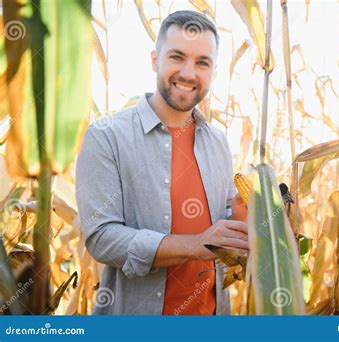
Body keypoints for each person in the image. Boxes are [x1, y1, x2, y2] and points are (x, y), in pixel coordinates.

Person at [75, 10, 248, 315]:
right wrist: (198, 244)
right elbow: (101, 238)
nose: (189, 73)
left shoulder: (217, 142)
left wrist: (248, 219)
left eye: (202, 62)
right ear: (155, 60)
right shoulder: (107, 136)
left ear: (213, 71)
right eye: (177, 57)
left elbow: (219, 218)